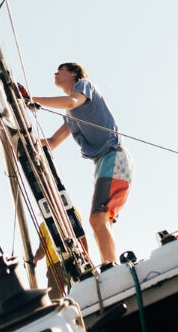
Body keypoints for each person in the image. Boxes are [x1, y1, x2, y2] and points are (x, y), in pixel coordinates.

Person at [28, 62, 132, 266]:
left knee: (97, 219)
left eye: (61, 70)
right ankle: (110, 267)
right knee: (102, 221)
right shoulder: (71, 117)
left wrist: (30, 99)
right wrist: (23, 139)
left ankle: (111, 268)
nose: (55, 73)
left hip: (114, 158)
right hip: (104, 163)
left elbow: (70, 102)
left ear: (74, 73)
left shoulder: (84, 86)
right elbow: (52, 143)